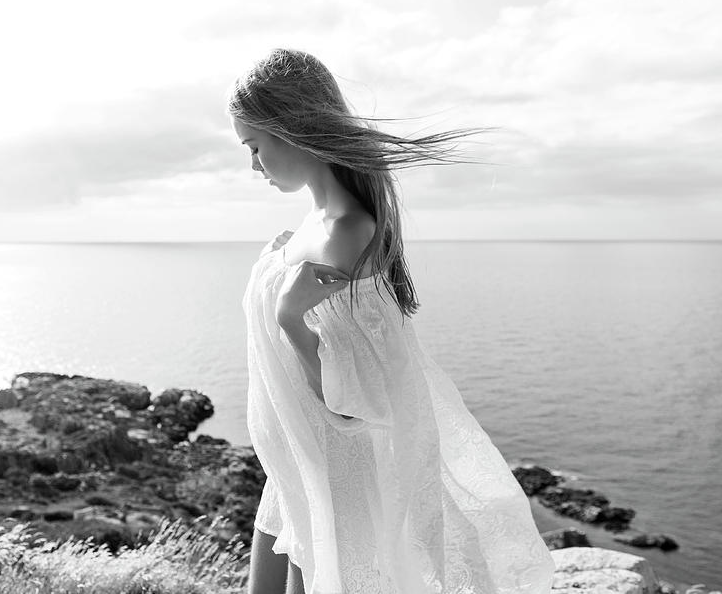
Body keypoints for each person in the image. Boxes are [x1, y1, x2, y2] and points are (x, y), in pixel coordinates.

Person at [229, 48, 556, 594]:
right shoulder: (314, 226)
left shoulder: (345, 233)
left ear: (291, 130)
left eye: (255, 147)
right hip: (298, 463)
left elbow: (357, 401)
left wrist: (290, 316)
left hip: (338, 477)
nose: (253, 165)